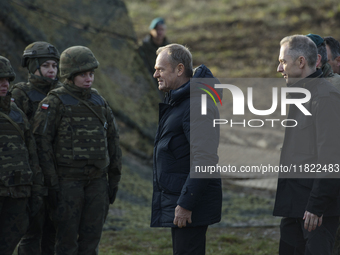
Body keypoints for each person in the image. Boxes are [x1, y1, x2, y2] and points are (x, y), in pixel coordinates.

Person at [32, 46, 122, 255]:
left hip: (97, 182)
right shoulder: (54, 102)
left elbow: (113, 140)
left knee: (91, 243)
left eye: (91, 74)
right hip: (67, 183)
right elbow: (41, 144)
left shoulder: (99, 101)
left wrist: (114, 178)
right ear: (70, 75)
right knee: (66, 243)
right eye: (83, 74)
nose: (89, 78)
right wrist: (51, 183)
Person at [151, 43, 222, 255]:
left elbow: (205, 159)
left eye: (160, 69)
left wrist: (185, 204)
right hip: (181, 201)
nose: (155, 74)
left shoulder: (197, 105)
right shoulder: (178, 102)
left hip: (190, 205)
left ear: (180, 69)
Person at [274, 35, 340, 255]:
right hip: (294, 208)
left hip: (315, 215)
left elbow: (331, 158)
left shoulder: (325, 97)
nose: (278, 68)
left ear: (301, 62)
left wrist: (316, 206)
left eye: (283, 61)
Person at [10, 41, 62, 255]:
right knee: (32, 234)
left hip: (57, 173)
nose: (52, 70)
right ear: (34, 67)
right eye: (47, 65)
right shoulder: (20, 93)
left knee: (53, 233)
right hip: (32, 174)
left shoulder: (61, 93)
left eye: (55, 65)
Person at [0, 56, 45, 254]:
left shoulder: (16, 112)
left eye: (7, 80)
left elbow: (31, 152)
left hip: (18, 192)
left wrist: (35, 188)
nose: (4, 84)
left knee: (10, 242)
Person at [139, 17, 170, 86]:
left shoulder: (169, 49)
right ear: (151, 31)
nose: (159, 32)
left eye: (162, 29)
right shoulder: (143, 47)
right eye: (157, 29)